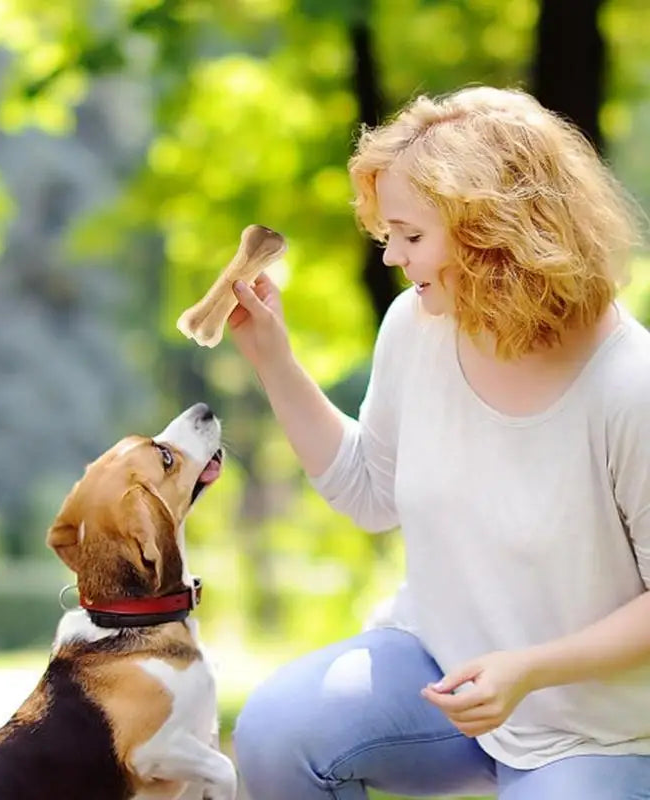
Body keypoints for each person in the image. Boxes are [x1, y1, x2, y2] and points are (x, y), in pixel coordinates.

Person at [227, 86, 650, 799]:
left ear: (495, 235)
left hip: (598, 727)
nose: (392, 255)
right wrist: (274, 357)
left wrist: (530, 669)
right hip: (435, 669)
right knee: (275, 730)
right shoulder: (416, 327)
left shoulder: (629, 385)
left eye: (412, 236)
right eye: (387, 233)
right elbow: (369, 492)